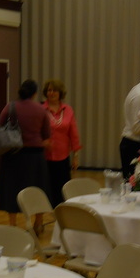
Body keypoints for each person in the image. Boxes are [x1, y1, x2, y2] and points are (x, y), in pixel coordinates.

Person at [0, 79, 51, 227]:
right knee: (38, 189)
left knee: (12, 189)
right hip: (35, 156)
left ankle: (12, 223)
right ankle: (38, 222)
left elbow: (0, 125)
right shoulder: (41, 110)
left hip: (13, 155)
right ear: (34, 93)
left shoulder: (10, 107)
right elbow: (47, 135)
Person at [41, 79, 82, 209]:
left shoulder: (68, 110)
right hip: (45, 157)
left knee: (62, 189)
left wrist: (76, 155)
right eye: (49, 90)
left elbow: (74, 134)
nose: (51, 93)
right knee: (46, 189)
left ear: (60, 93)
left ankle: (61, 217)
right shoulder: (41, 110)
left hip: (62, 157)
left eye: (54, 90)